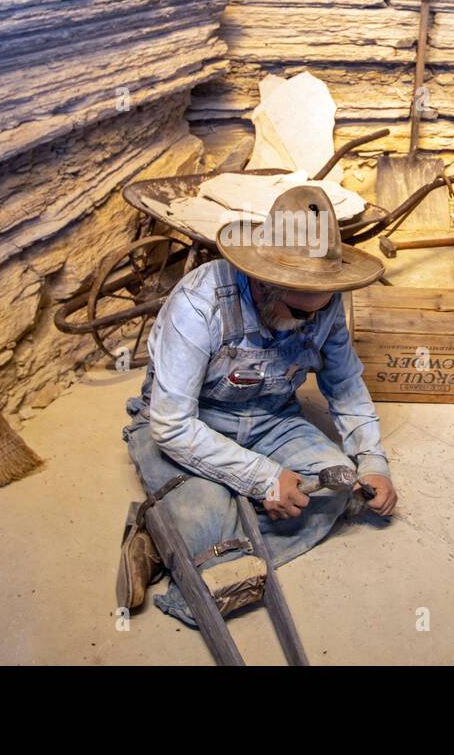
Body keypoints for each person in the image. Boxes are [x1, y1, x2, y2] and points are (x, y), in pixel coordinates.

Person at [117, 185, 397, 624]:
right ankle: (205, 538)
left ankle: (175, 541)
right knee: (219, 547)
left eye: (318, 307)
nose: (311, 319)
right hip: (191, 423)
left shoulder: (324, 303)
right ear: (261, 279)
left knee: (340, 489)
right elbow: (171, 425)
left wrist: (372, 459)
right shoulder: (200, 302)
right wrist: (262, 477)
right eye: (297, 309)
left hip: (272, 419)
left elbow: (343, 383)